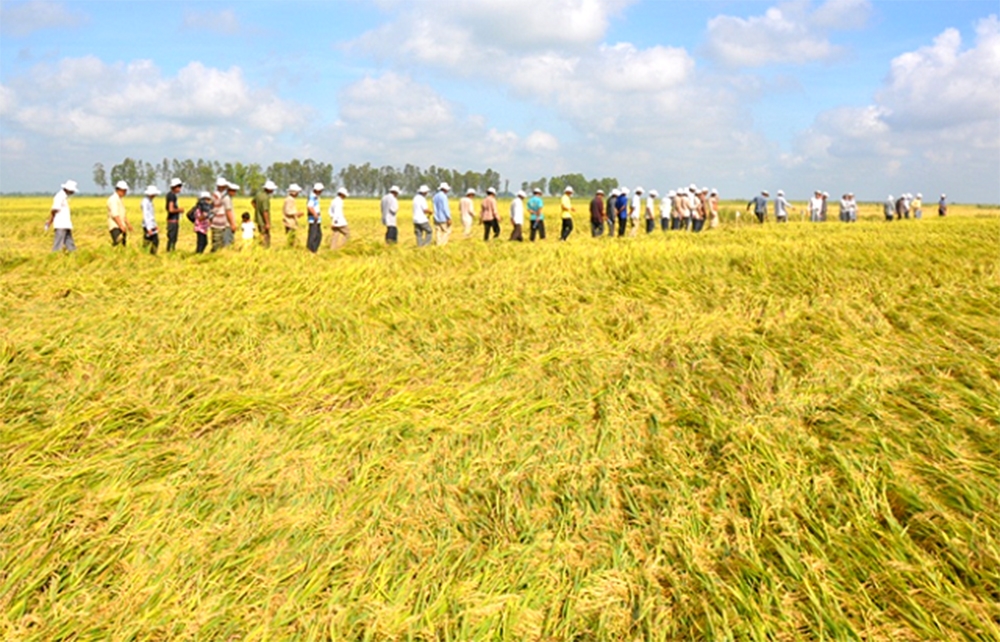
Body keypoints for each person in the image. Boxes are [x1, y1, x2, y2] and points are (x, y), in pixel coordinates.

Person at [47, 180, 78, 252]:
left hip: (66, 224)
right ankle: (54, 257)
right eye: (72, 191)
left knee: (70, 243)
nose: (73, 192)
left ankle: (74, 256)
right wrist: (50, 221)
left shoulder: (64, 197)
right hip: (60, 224)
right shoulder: (59, 196)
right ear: (68, 189)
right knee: (58, 244)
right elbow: (54, 210)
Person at [210, 178, 237, 252]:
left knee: (218, 243)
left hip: (218, 222)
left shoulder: (217, 195)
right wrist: (232, 224)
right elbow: (228, 211)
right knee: (219, 244)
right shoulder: (221, 197)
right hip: (219, 223)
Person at [251, 180, 276, 248]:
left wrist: (258, 209)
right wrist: (267, 223)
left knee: (261, 234)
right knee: (265, 236)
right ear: (269, 189)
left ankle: (260, 248)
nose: (273, 190)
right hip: (263, 221)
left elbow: (252, 202)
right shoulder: (266, 198)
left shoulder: (259, 195)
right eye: (272, 189)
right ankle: (265, 249)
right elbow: (265, 211)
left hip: (258, 220)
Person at [107, 180, 131, 246]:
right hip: (115, 226)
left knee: (122, 245)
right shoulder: (113, 199)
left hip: (121, 226)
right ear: (119, 190)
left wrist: (128, 224)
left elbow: (122, 214)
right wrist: (121, 225)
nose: (125, 192)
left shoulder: (120, 199)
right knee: (118, 244)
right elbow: (115, 214)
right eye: (124, 190)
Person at [141, 185, 161, 255]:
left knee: (152, 241)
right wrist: (149, 228)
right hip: (147, 226)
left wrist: (155, 225)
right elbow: (146, 215)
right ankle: (149, 255)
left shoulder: (150, 201)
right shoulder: (145, 202)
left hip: (151, 225)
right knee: (151, 241)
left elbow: (151, 216)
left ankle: (148, 255)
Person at [165, 178, 183, 252]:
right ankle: (170, 251)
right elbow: (171, 209)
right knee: (172, 238)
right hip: (172, 220)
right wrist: (179, 210)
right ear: (175, 187)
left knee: (172, 238)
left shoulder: (170, 195)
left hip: (172, 220)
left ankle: (170, 251)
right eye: (179, 187)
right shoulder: (172, 196)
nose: (180, 189)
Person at [306, 182, 324, 253]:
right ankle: (311, 250)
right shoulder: (312, 197)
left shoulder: (315, 197)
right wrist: (315, 214)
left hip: (316, 219)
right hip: (314, 219)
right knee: (314, 236)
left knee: (318, 235)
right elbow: (309, 207)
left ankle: (313, 249)